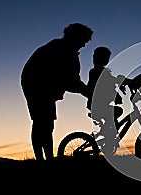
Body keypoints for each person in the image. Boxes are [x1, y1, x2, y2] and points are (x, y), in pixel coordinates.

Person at [21, 23, 93, 161]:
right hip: (35, 86)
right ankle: (42, 160)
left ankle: (47, 158)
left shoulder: (68, 52)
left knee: (46, 123)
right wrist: (88, 93)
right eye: (83, 40)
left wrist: (86, 92)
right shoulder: (58, 50)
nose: (84, 45)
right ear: (74, 37)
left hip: (44, 87)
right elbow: (71, 82)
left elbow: (72, 81)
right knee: (41, 122)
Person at [86, 46, 129, 132]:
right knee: (117, 111)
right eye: (105, 57)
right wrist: (123, 81)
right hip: (98, 105)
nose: (107, 60)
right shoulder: (96, 72)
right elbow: (110, 81)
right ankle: (108, 133)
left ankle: (108, 133)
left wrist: (123, 82)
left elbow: (112, 81)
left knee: (115, 116)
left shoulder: (102, 71)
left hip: (100, 104)